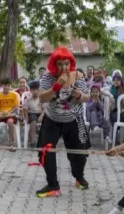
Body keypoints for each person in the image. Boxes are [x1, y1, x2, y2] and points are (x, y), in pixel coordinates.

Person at [36, 47, 91, 197]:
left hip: (73, 119)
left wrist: (78, 95)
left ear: (71, 63)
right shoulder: (48, 77)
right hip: (52, 119)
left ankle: (79, 177)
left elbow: (87, 97)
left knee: (79, 152)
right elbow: (41, 98)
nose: (64, 67)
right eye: (60, 64)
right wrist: (57, 86)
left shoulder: (78, 76)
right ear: (55, 64)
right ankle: (53, 185)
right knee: (46, 151)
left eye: (66, 63)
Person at [0, 78, 21, 147]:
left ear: (10, 86)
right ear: (1, 86)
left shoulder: (14, 95)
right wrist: (0, 113)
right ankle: (6, 116)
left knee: (10, 122)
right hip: (0, 114)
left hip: (10, 114)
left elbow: (16, 107)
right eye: (4, 85)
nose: (6, 87)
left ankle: (11, 142)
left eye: (8, 85)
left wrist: (8, 112)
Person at [23, 81, 43, 145]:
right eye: (34, 90)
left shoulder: (42, 98)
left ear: (40, 90)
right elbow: (25, 109)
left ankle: (44, 139)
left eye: (37, 89)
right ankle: (32, 139)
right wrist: (26, 118)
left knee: (46, 121)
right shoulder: (28, 99)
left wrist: (41, 116)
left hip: (41, 113)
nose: (36, 91)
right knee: (33, 122)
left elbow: (44, 109)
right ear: (30, 91)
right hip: (32, 113)